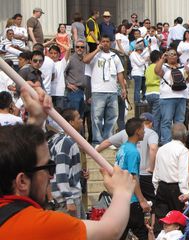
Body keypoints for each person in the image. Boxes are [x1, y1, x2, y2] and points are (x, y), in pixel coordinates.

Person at [0, 85, 136, 239]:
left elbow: (16, 154)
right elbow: (110, 231)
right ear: (22, 181)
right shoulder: (37, 225)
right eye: (49, 168)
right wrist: (122, 192)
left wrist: (36, 120)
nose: (52, 176)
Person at [83, 35, 127, 145]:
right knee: (97, 117)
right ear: (100, 42)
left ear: (111, 43)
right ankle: (97, 141)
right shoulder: (96, 55)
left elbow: (120, 73)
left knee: (112, 117)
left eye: (107, 41)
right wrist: (97, 49)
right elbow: (85, 60)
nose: (105, 43)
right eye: (103, 41)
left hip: (112, 91)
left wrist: (123, 88)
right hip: (98, 91)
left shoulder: (114, 56)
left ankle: (108, 140)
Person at [114, 118, 151, 240]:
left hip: (121, 197)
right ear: (137, 131)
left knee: (121, 233)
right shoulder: (133, 152)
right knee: (141, 233)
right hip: (132, 200)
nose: (145, 132)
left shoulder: (122, 148)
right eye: (143, 129)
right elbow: (133, 177)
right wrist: (141, 200)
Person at [49, 108, 84, 219]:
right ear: (71, 122)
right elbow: (61, 171)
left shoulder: (61, 140)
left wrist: (80, 173)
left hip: (70, 196)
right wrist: (69, 199)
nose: (82, 120)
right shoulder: (66, 142)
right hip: (67, 199)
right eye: (78, 118)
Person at [152, 123, 189, 225]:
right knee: (177, 222)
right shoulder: (183, 150)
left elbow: (156, 172)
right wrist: (185, 197)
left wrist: (157, 189)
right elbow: (183, 175)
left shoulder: (162, 148)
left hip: (162, 188)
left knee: (162, 221)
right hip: (175, 189)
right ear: (184, 136)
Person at [154, 48, 189, 145]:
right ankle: (166, 142)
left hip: (182, 96)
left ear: (177, 56)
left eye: (174, 54)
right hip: (167, 97)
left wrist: (188, 72)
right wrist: (162, 59)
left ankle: (178, 142)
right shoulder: (164, 67)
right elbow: (156, 70)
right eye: (170, 54)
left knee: (179, 121)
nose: (172, 56)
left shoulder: (182, 67)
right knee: (167, 120)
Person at [65, 40, 87, 117]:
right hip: (74, 92)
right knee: (74, 117)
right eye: (77, 47)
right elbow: (62, 72)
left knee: (80, 117)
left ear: (85, 48)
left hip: (84, 92)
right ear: (74, 48)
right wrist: (67, 84)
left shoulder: (86, 59)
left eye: (82, 47)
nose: (79, 48)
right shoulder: (70, 59)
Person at [49, 42, 71, 110]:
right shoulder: (47, 63)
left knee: (60, 113)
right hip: (49, 92)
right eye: (51, 53)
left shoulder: (61, 63)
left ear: (59, 54)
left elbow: (68, 49)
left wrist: (58, 43)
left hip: (59, 93)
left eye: (55, 53)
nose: (53, 55)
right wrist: (50, 42)